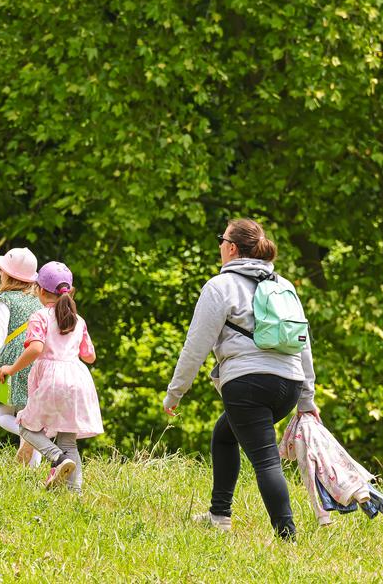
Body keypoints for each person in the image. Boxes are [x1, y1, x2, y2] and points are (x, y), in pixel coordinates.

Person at [162, 218, 319, 540]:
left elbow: (196, 346)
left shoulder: (220, 287)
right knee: (224, 435)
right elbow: (303, 342)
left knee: (265, 459)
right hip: (287, 384)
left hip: (247, 384)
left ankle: (287, 535)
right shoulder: (284, 285)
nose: (220, 246)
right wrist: (306, 398)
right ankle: (219, 514)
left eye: (222, 240)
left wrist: (175, 393)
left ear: (231, 248)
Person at [0, 261, 103, 492]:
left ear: (40, 290)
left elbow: (35, 348)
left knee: (25, 426)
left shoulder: (40, 316)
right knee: (68, 442)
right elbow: (90, 356)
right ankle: (74, 494)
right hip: (78, 380)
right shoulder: (78, 320)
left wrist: (10, 369)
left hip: (52, 381)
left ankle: (56, 458)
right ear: (69, 292)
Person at [0, 247, 44, 467]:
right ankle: (33, 466)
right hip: (37, 358)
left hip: (13, 359)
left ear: (8, 274)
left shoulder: (5, 298)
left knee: (3, 415)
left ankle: (33, 436)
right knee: (31, 415)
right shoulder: (39, 298)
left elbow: (0, 331)